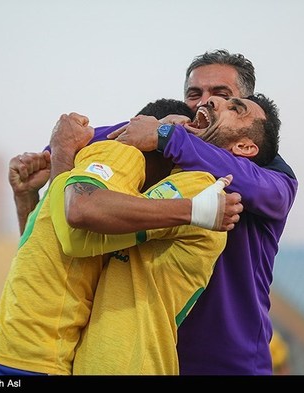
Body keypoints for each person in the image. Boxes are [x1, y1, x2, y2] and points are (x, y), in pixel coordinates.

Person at [9, 49, 298, 375]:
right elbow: (66, 243)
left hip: (229, 364)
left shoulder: (269, 174)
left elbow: (265, 191)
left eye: (222, 95)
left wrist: (164, 136)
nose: (204, 102)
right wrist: (52, 156)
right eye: (194, 94)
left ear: (248, 105)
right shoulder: (166, 160)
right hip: (149, 359)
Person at [0, 99, 241, 375]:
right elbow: (73, 225)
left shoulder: (125, 197)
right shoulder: (122, 155)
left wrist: (35, 190)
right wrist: (194, 210)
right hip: (34, 361)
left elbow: (52, 243)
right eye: (169, 130)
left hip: (5, 355)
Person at [54, 94, 280, 375]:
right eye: (197, 94)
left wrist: (62, 151)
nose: (211, 101)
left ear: (245, 147)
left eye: (235, 108)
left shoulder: (201, 188)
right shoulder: (169, 181)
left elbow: (80, 217)